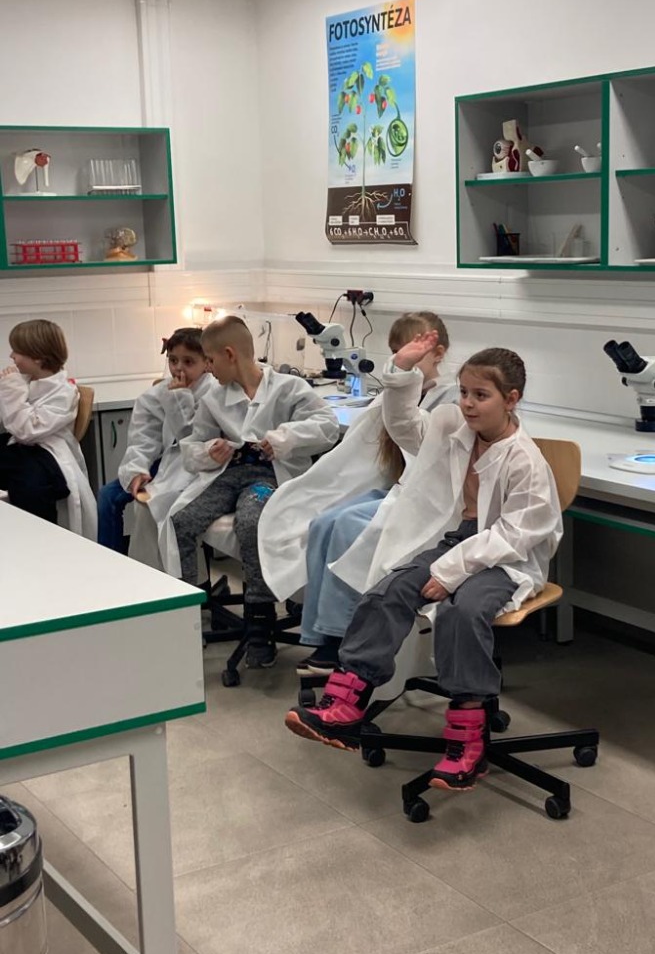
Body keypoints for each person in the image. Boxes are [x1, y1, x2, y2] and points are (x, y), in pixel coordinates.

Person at [285, 333, 563, 792]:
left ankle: (469, 740)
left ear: (511, 399)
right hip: (459, 541)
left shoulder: (525, 460)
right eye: (464, 392)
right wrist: (400, 371)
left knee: (463, 610)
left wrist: (449, 572)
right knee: (390, 590)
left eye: (481, 395)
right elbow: (403, 426)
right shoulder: (455, 428)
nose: (468, 404)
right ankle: (348, 705)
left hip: (507, 559)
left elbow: (515, 535)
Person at [259, 311, 457, 676]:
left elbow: (419, 439)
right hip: (397, 488)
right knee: (323, 523)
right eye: (398, 352)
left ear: (438, 352)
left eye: (414, 351)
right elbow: (378, 439)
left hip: (431, 502)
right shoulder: (396, 394)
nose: (406, 359)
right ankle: (319, 633)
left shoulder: (451, 400)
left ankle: (342, 638)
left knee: (350, 526)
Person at [167, 315, 339, 667]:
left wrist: (286, 438)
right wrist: (209, 451)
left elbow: (328, 426)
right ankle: (192, 609)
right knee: (182, 521)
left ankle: (260, 618)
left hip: (269, 476)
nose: (208, 369)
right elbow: (193, 445)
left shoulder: (289, 389)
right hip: (228, 475)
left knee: (252, 522)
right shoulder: (215, 397)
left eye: (210, 360)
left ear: (229, 355)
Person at [97, 327, 214, 554]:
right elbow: (143, 439)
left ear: (206, 363)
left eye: (188, 362)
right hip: (164, 464)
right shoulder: (156, 394)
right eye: (173, 360)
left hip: (197, 468)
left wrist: (180, 399)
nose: (178, 368)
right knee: (107, 496)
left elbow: (193, 437)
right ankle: (110, 560)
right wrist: (136, 469)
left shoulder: (214, 392)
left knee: (156, 506)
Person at [0, 318, 96, 537]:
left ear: (38, 357)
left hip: (47, 455)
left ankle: (39, 537)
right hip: (25, 449)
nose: (12, 356)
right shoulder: (25, 381)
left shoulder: (65, 393)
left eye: (17, 351)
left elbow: (26, 430)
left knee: (30, 485)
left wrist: (11, 390)